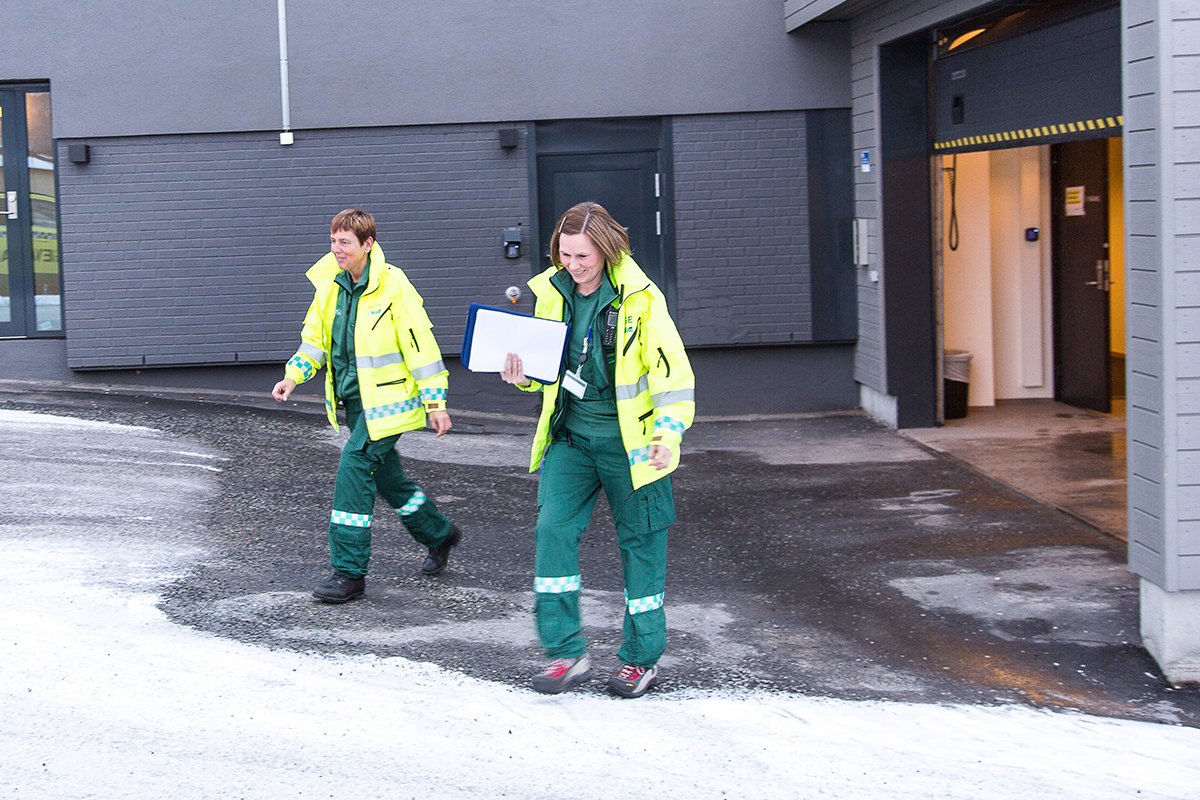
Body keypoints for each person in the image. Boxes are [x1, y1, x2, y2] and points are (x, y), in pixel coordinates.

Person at [501, 201, 695, 698]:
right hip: (571, 440)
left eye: (583, 255)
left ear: (607, 250)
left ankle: (639, 660)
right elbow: (548, 374)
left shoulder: (642, 301)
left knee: (642, 548)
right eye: (565, 254)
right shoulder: (552, 293)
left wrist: (666, 436)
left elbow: (674, 380)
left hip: (633, 446)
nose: (573, 265)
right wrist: (523, 378)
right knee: (552, 531)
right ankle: (565, 651)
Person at [273, 209, 461, 604]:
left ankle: (349, 573)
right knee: (387, 479)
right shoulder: (330, 286)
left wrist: (435, 402)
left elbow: (420, 346)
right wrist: (293, 375)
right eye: (333, 241)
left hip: (390, 402)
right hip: (355, 402)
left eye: (345, 242)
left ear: (367, 244)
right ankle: (439, 533)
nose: (336, 249)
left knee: (354, 467)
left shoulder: (393, 287)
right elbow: (315, 341)